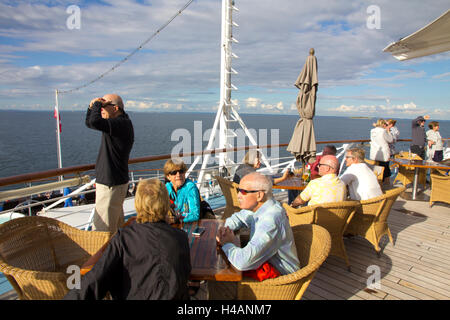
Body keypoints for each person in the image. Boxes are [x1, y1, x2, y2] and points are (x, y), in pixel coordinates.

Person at [64, 179, 191, 300]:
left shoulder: (124, 239)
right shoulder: (180, 237)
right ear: (165, 203)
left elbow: (95, 281)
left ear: (138, 203)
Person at [212, 172, 300, 299]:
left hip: (281, 278)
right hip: (264, 260)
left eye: (243, 191)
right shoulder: (262, 206)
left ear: (259, 195)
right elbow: (239, 218)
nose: (238, 195)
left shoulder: (270, 221)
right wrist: (223, 229)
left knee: (218, 278)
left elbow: (242, 262)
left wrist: (228, 243)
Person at [86, 94, 134, 233]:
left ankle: (103, 255)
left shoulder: (120, 124)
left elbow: (95, 122)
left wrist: (95, 105)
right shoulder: (119, 123)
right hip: (114, 182)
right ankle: (117, 254)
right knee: (116, 228)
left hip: (110, 184)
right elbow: (90, 122)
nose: (101, 109)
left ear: (115, 108)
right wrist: (92, 107)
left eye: (103, 105)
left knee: (102, 231)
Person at [164, 158, 201, 223]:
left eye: (181, 171)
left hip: (188, 226)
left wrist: (176, 219)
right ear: (168, 176)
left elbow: (195, 214)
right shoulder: (166, 189)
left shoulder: (190, 188)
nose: (178, 175)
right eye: (174, 172)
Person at [370, 119, 393, 184]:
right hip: (383, 154)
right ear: (383, 124)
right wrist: (388, 131)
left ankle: (378, 182)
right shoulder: (383, 131)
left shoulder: (372, 131)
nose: (386, 126)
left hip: (375, 153)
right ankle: (386, 184)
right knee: (386, 169)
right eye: (386, 124)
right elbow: (390, 140)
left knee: (377, 168)